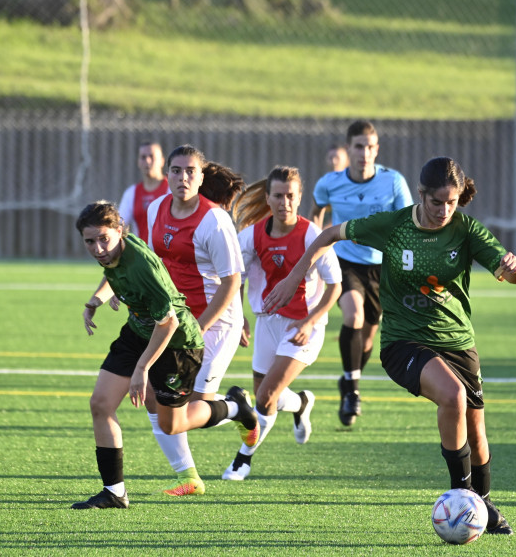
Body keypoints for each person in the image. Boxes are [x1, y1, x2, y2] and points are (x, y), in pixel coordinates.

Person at [267, 156, 516, 535]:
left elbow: (513, 273)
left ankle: (482, 504)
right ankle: (462, 495)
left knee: (476, 429)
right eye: (437, 202)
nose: (444, 211)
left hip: (457, 341)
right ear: (421, 195)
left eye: (451, 203)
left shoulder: (466, 230)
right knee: (452, 396)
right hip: (404, 341)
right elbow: (328, 235)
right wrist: (294, 277)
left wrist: (513, 269)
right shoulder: (394, 225)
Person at [72, 201, 257, 509]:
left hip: (177, 344)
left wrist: (142, 368)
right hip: (138, 332)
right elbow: (114, 275)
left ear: (119, 231)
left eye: (103, 239)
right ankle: (115, 492)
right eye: (90, 241)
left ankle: (235, 408)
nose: (98, 248)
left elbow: (169, 322)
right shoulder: (115, 251)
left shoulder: (142, 265)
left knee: (173, 424)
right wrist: (97, 299)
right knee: (101, 404)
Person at [144, 146, 252, 495]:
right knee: (152, 398)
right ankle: (188, 476)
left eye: (191, 171)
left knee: (192, 408)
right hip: (176, 322)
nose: (183, 177)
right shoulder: (155, 209)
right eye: (176, 170)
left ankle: (238, 408)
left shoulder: (215, 221)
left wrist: (199, 329)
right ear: (168, 175)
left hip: (215, 325)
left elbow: (232, 282)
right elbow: (152, 263)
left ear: (202, 177)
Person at [221, 166, 342, 480]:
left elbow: (335, 285)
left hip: (304, 326)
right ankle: (301, 403)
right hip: (267, 322)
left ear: (300, 198)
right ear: (268, 197)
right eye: (278, 195)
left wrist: (310, 322)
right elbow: (236, 278)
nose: (285, 201)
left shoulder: (313, 235)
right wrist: (240, 317)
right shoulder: (252, 235)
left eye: (291, 195)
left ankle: (242, 459)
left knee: (262, 398)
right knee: (267, 396)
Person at [310, 120, 413, 426]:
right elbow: (316, 213)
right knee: (353, 316)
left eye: (370, 147)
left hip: (381, 266)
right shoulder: (330, 182)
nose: (364, 153)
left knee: (368, 339)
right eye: (358, 146)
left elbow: (407, 223)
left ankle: (348, 379)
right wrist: (319, 251)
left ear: (376, 150)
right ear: (349, 149)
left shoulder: (393, 182)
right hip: (345, 261)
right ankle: (353, 389)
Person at [118, 141, 169, 239]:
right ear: (138, 162)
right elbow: (119, 225)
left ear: (162, 161)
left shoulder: (172, 190)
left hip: (167, 253)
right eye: (143, 157)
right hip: (142, 252)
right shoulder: (131, 193)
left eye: (152, 156)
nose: (147, 161)